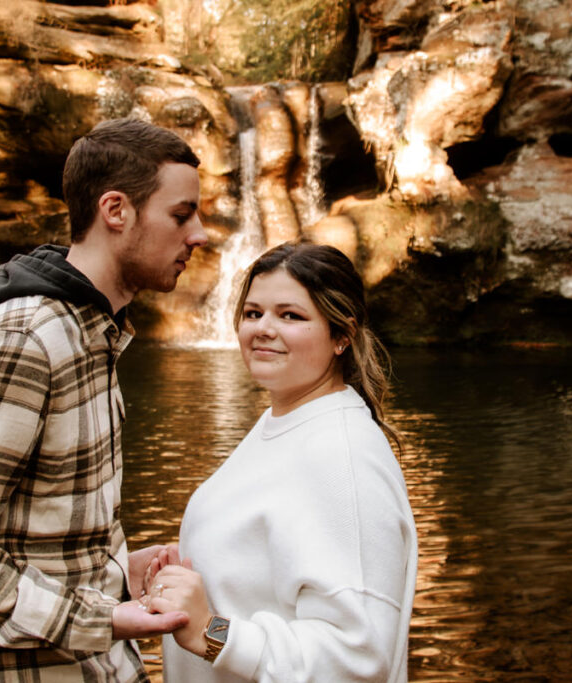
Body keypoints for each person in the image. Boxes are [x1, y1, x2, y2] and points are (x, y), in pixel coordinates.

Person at [0, 117, 209, 681]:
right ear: (116, 211)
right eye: (182, 215)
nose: (200, 234)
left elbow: (35, 537)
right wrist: (103, 617)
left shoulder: (95, 334)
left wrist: (115, 573)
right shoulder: (24, 340)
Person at [146, 241, 418, 682]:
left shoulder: (343, 455)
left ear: (341, 336)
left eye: (290, 315)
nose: (263, 328)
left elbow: (358, 658)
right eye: (253, 313)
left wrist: (210, 632)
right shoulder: (285, 421)